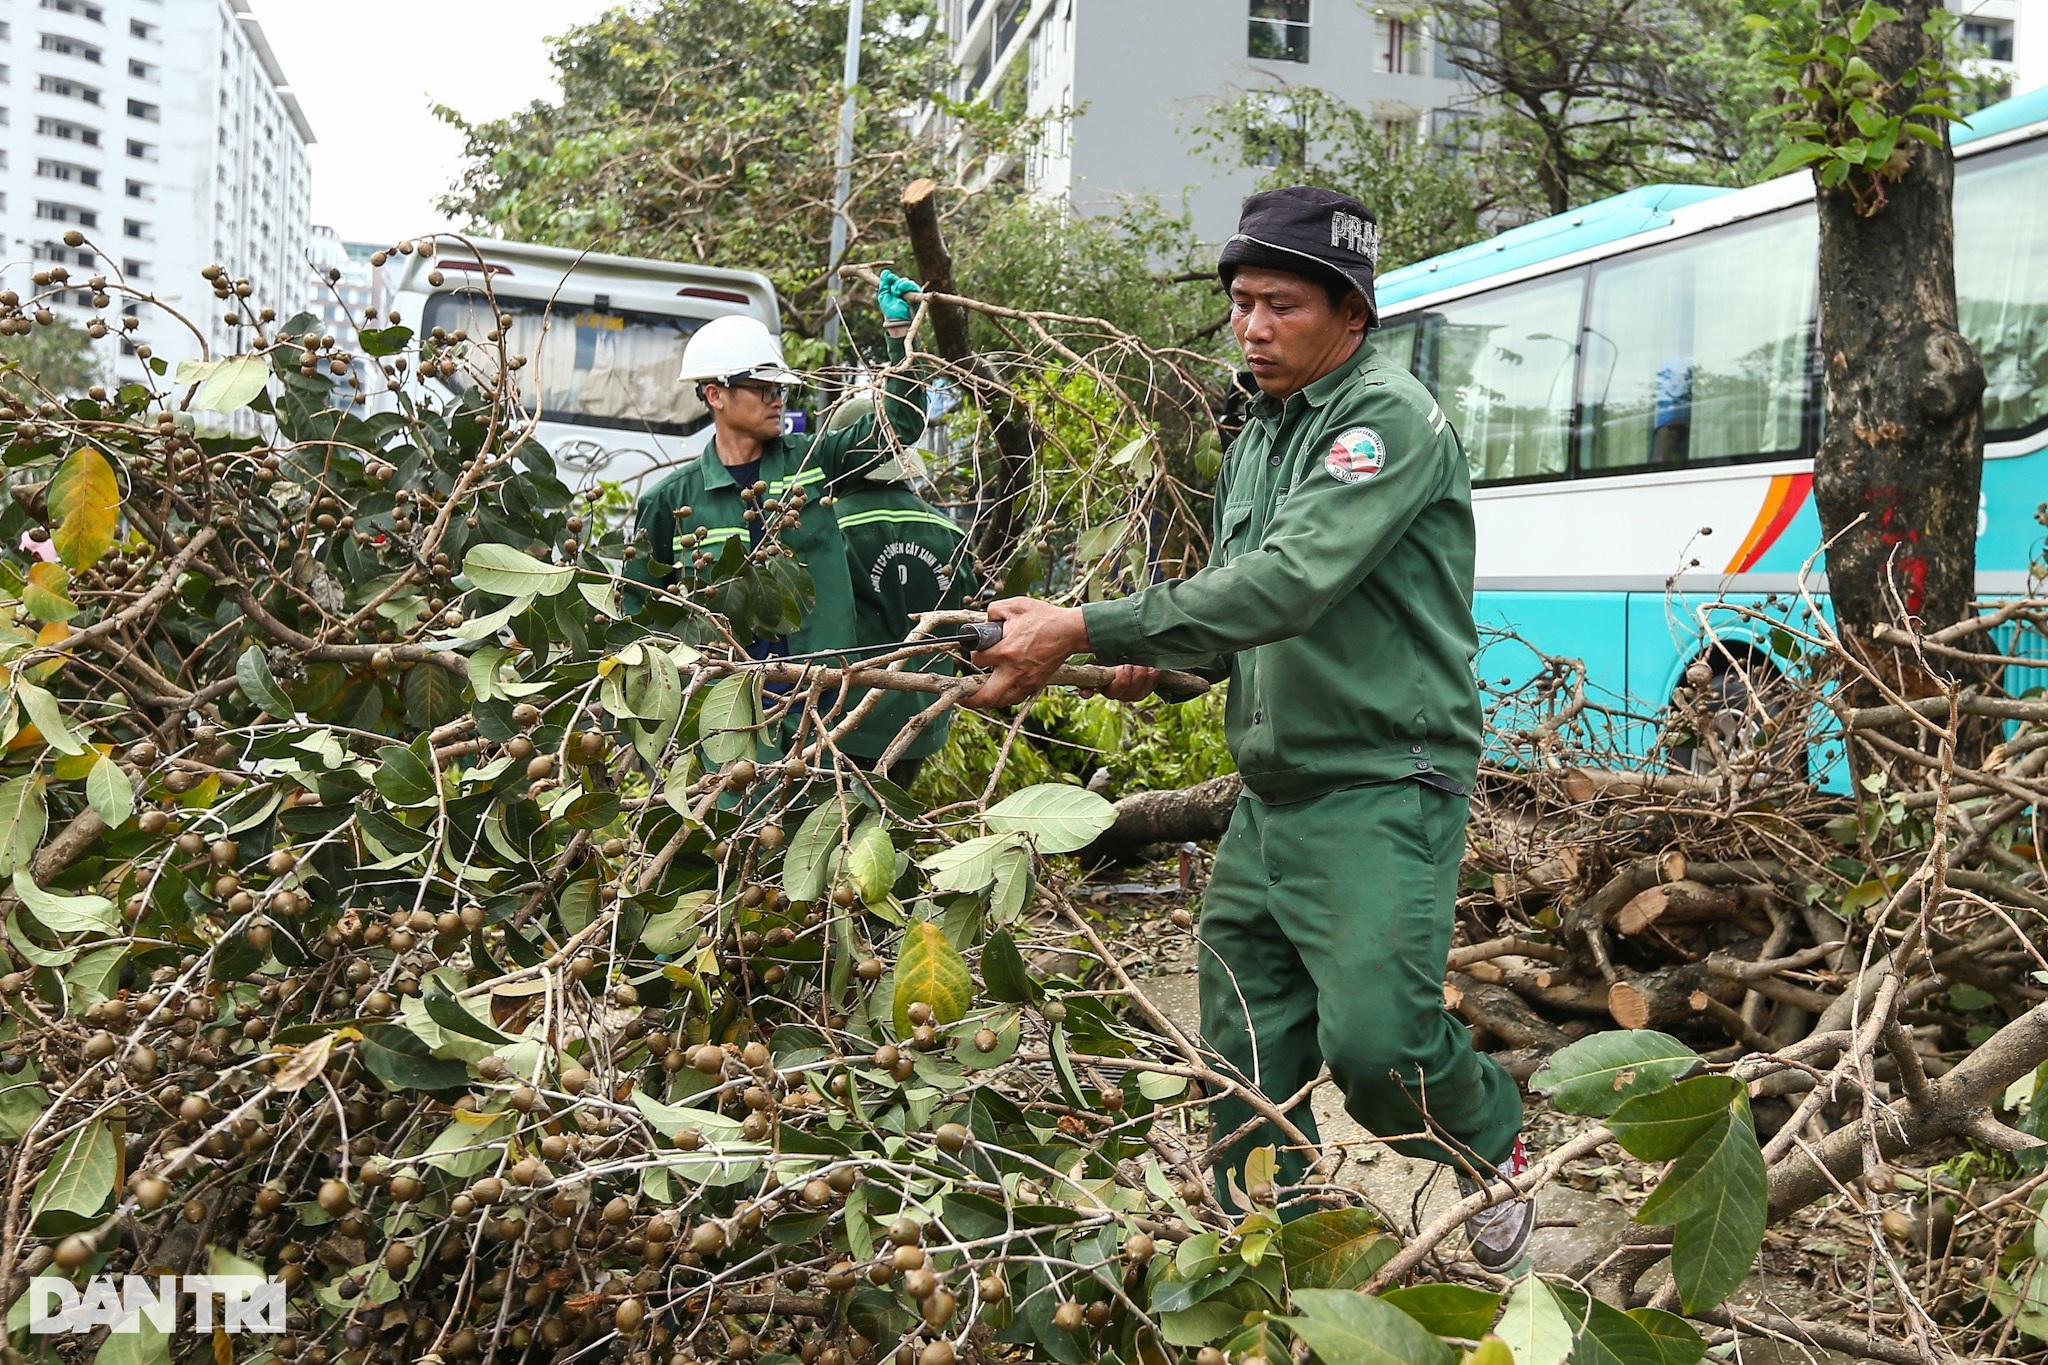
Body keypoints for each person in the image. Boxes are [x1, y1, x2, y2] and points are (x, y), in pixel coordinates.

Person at [965, 188, 1535, 1267]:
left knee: (1378, 1048)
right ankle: (1263, 1246)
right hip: (1270, 795)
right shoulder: (1263, 434)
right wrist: (1143, 658)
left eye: (1279, 304)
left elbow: (1287, 584)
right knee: (1242, 1048)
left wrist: (1081, 620)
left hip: (1380, 781)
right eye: (1238, 304)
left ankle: (1493, 1148)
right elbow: (1239, 613)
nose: (1251, 328)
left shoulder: (1382, 423)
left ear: (1350, 314)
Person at [623, 273, 928, 690]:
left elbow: (900, 425)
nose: (777, 400)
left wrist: (900, 337)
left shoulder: (814, 459)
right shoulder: (670, 501)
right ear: (715, 395)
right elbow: (638, 611)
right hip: (722, 702)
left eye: (780, 389)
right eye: (763, 389)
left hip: (817, 695)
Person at [823, 397, 980, 788]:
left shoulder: (828, 533)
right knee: (885, 829)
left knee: (828, 833)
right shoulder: (951, 533)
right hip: (922, 718)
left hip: (841, 720)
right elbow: (968, 625)